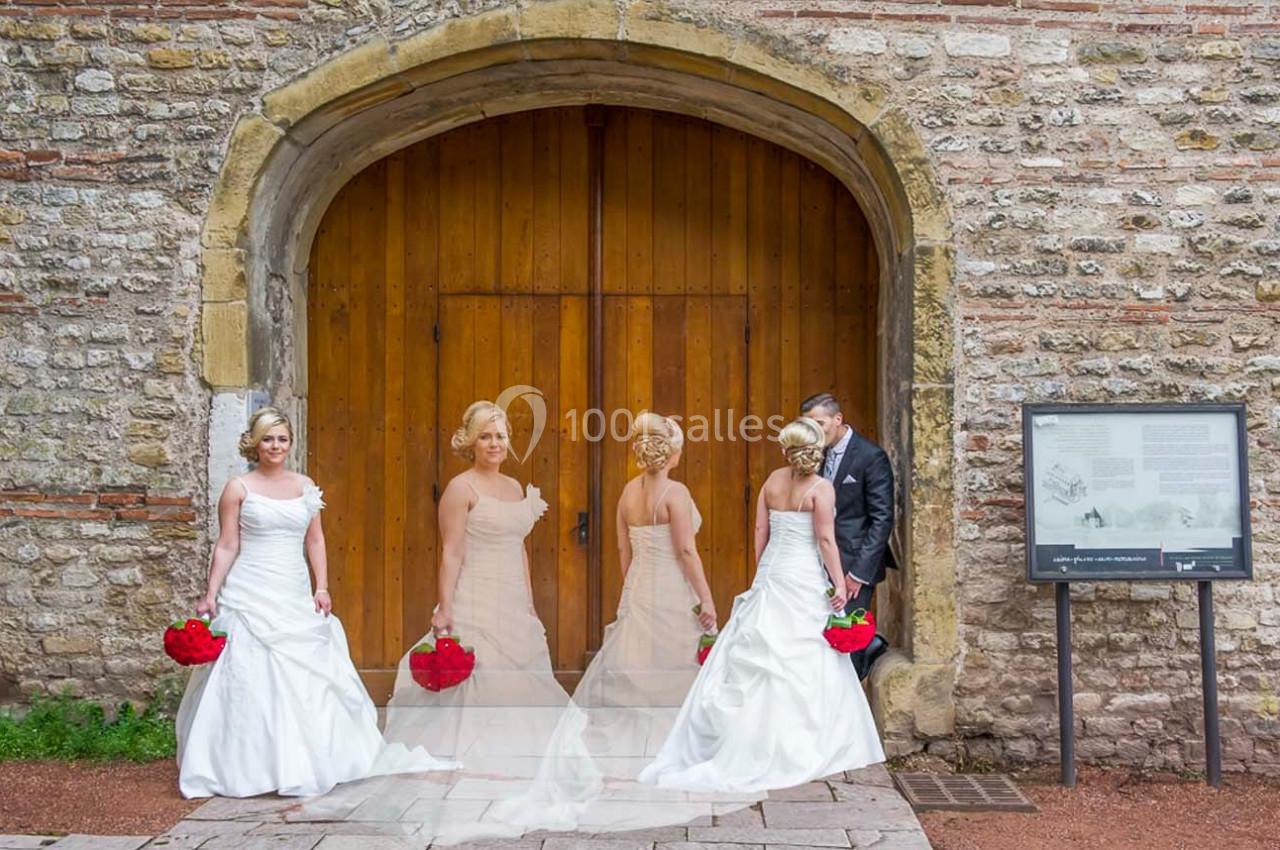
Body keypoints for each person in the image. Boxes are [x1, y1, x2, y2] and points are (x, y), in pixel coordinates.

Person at [175, 407, 454, 798]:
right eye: (268, 438)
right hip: (250, 587)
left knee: (306, 673)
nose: (275, 445)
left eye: (282, 438)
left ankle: (311, 757)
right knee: (248, 672)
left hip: (292, 586)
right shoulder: (238, 488)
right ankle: (248, 763)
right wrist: (210, 593)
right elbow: (227, 544)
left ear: (290, 443)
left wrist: (321, 587)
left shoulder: (305, 486)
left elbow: (315, 540)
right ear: (255, 443)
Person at [637, 417, 884, 792]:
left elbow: (760, 532)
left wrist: (763, 570)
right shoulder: (821, 488)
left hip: (774, 573)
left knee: (759, 650)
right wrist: (838, 584)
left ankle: (745, 738)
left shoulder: (771, 482)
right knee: (806, 656)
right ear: (815, 451)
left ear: (786, 450)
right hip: (803, 576)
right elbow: (826, 541)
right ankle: (810, 741)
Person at [380, 400, 568, 779]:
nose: (494, 443)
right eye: (485, 436)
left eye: (500, 436)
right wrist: (445, 607)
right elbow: (451, 552)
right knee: (481, 671)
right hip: (475, 591)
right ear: (471, 442)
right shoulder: (459, 488)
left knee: (518, 670)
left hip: (511, 595)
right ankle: (468, 747)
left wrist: (529, 602)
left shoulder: (515, 487)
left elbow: (520, 549)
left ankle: (516, 747)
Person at [799, 392, 895, 679]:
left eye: (820, 423)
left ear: (838, 419)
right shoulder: (813, 454)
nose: (815, 431)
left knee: (846, 642)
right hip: (815, 564)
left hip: (854, 566)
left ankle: (848, 714)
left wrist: (858, 574)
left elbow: (882, 518)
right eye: (809, 425)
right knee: (819, 640)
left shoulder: (870, 456)